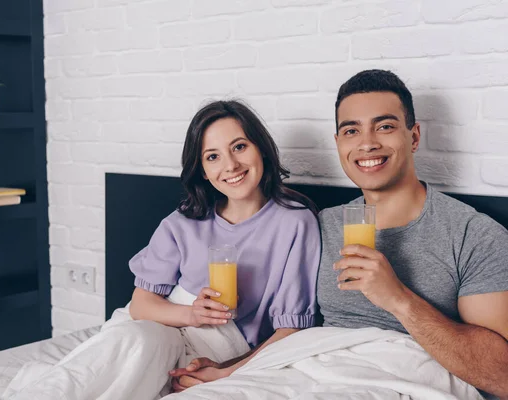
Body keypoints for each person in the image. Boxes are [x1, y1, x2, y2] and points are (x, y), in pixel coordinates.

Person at [171, 70, 508, 399]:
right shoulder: (321, 225)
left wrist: (398, 299)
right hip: (308, 374)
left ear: (414, 136)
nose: (367, 143)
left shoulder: (473, 235)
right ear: (338, 143)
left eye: (385, 127)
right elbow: (294, 329)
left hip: (395, 377)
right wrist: (228, 371)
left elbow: (502, 377)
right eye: (351, 131)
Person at [130, 99, 321, 393]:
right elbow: (140, 305)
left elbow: (292, 328)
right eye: (212, 157)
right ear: (203, 171)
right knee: (130, 347)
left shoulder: (295, 222)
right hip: (160, 329)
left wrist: (228, 373)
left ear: (261, 149)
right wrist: (192, 314)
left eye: (240, 147)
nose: (230, 165)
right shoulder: (183, 221)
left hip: (227, 352)